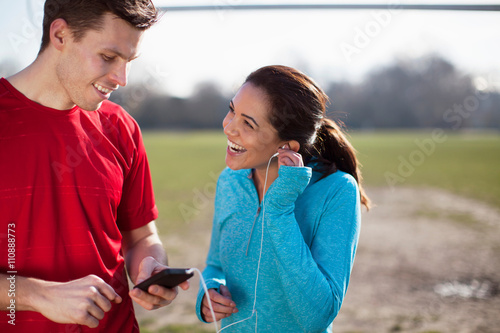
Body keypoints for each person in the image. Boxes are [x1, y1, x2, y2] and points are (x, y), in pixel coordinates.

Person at [0, 1, 188, 331]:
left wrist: (151, 266)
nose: (122, 78)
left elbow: (142, 234)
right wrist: (35, 295)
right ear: (60, 35)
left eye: (128, 61)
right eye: (108, 57)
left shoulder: (122, 129)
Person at [195, 65, 370, 332]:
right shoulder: (229, 181)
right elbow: (216, 264)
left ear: (286, 147)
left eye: (248, 124)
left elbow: (317, 316)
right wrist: (209, 293)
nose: (229, 128)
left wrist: (279, 210)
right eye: (232, 110)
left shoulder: (337, 191)